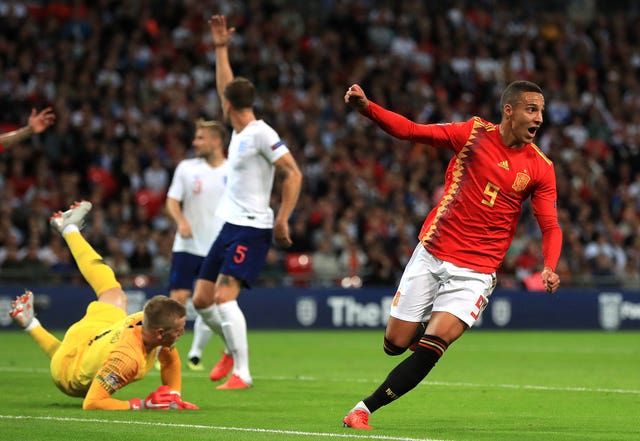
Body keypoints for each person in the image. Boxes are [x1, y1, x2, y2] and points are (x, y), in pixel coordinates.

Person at [341, 80, 562, 429]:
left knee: (434, 345)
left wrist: (549, 266)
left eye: (542, 111)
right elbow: (411, 131)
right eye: (532, 109)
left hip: (477, 271)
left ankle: (362, 410)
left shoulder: (540, 167)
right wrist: (368, 108)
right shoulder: (472, 133)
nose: (539, 118)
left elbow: (550, 225)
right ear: (509, 110)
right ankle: (419, 332)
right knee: (395, 344)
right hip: (433, 251)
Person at [191, 15, 303, 390]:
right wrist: (221, 48)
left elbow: (293, 172)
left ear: (227, 105)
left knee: (224, 299)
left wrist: (283, 219)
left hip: (253, 226)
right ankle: (229, 348)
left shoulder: (260, 134)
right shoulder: (238, 131)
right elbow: (226, 85)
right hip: (230, 225)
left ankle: (243, 373)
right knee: (203, 299)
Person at [8, 201, 198, 410]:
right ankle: (30, 324)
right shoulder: (126, 359)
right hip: (67, 373)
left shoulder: (148, 322)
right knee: (67, 359)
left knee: (114, 293)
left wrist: (173, 397)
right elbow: (92, 402)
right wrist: (143, 404)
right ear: (160, 333)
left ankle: (69, 229)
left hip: (99, 334)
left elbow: (170, 361)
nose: (181, 334)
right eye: (179, 331)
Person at [166, 118, 229, 372]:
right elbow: (172, 201)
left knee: (209, 303)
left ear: (216, 141)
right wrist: (181, 220)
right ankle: (166, 356)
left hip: (216, 247)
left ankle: (219, 348)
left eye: (201, 138)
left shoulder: (232, 170)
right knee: (177, 299)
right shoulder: (186, 168)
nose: (195, 142)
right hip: (187, 244)